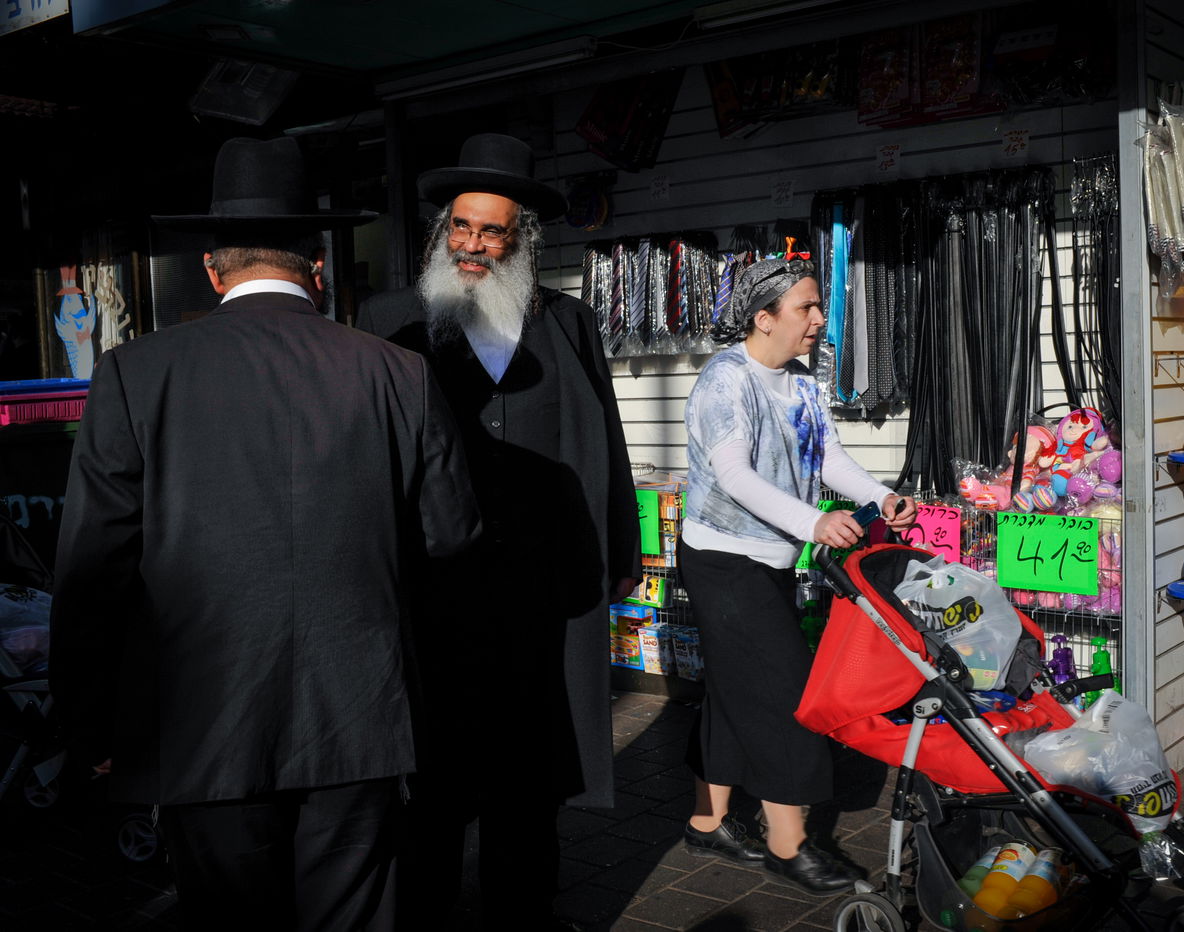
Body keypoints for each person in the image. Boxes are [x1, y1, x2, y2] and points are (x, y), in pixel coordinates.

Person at [49, 136, 476, 931]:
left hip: (200, 721)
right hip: (360, 716)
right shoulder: (395, 372)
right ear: (316, 263)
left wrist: (89, 719)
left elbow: (91, 568)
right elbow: (450, 535)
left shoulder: (134, 373)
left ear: (214, 269)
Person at [357, 133, 639, 927]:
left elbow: (607, 443)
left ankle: (525, 903)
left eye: (493, 231)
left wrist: (622, 546)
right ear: (443, 230)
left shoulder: (571, 322)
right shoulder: (388, 319)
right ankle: (428, 902)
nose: (474, 245)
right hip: (433, 587)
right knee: (435, 760)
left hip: (539, 593)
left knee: (533, 758)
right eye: (462, 227)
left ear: (522, 240)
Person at [679, 256, 916, 895]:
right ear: (764, 317)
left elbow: (826, 457)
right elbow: (733, 475)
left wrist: (878, 496)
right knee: (783, 692)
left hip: (769, 559)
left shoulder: (803, 380)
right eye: (806, 308)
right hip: (722, 558)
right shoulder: (726, 381)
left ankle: (709, 822)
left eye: (817, 307)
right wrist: (813, 524)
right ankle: (790, 844)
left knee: (736, 688)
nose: (819, 320)